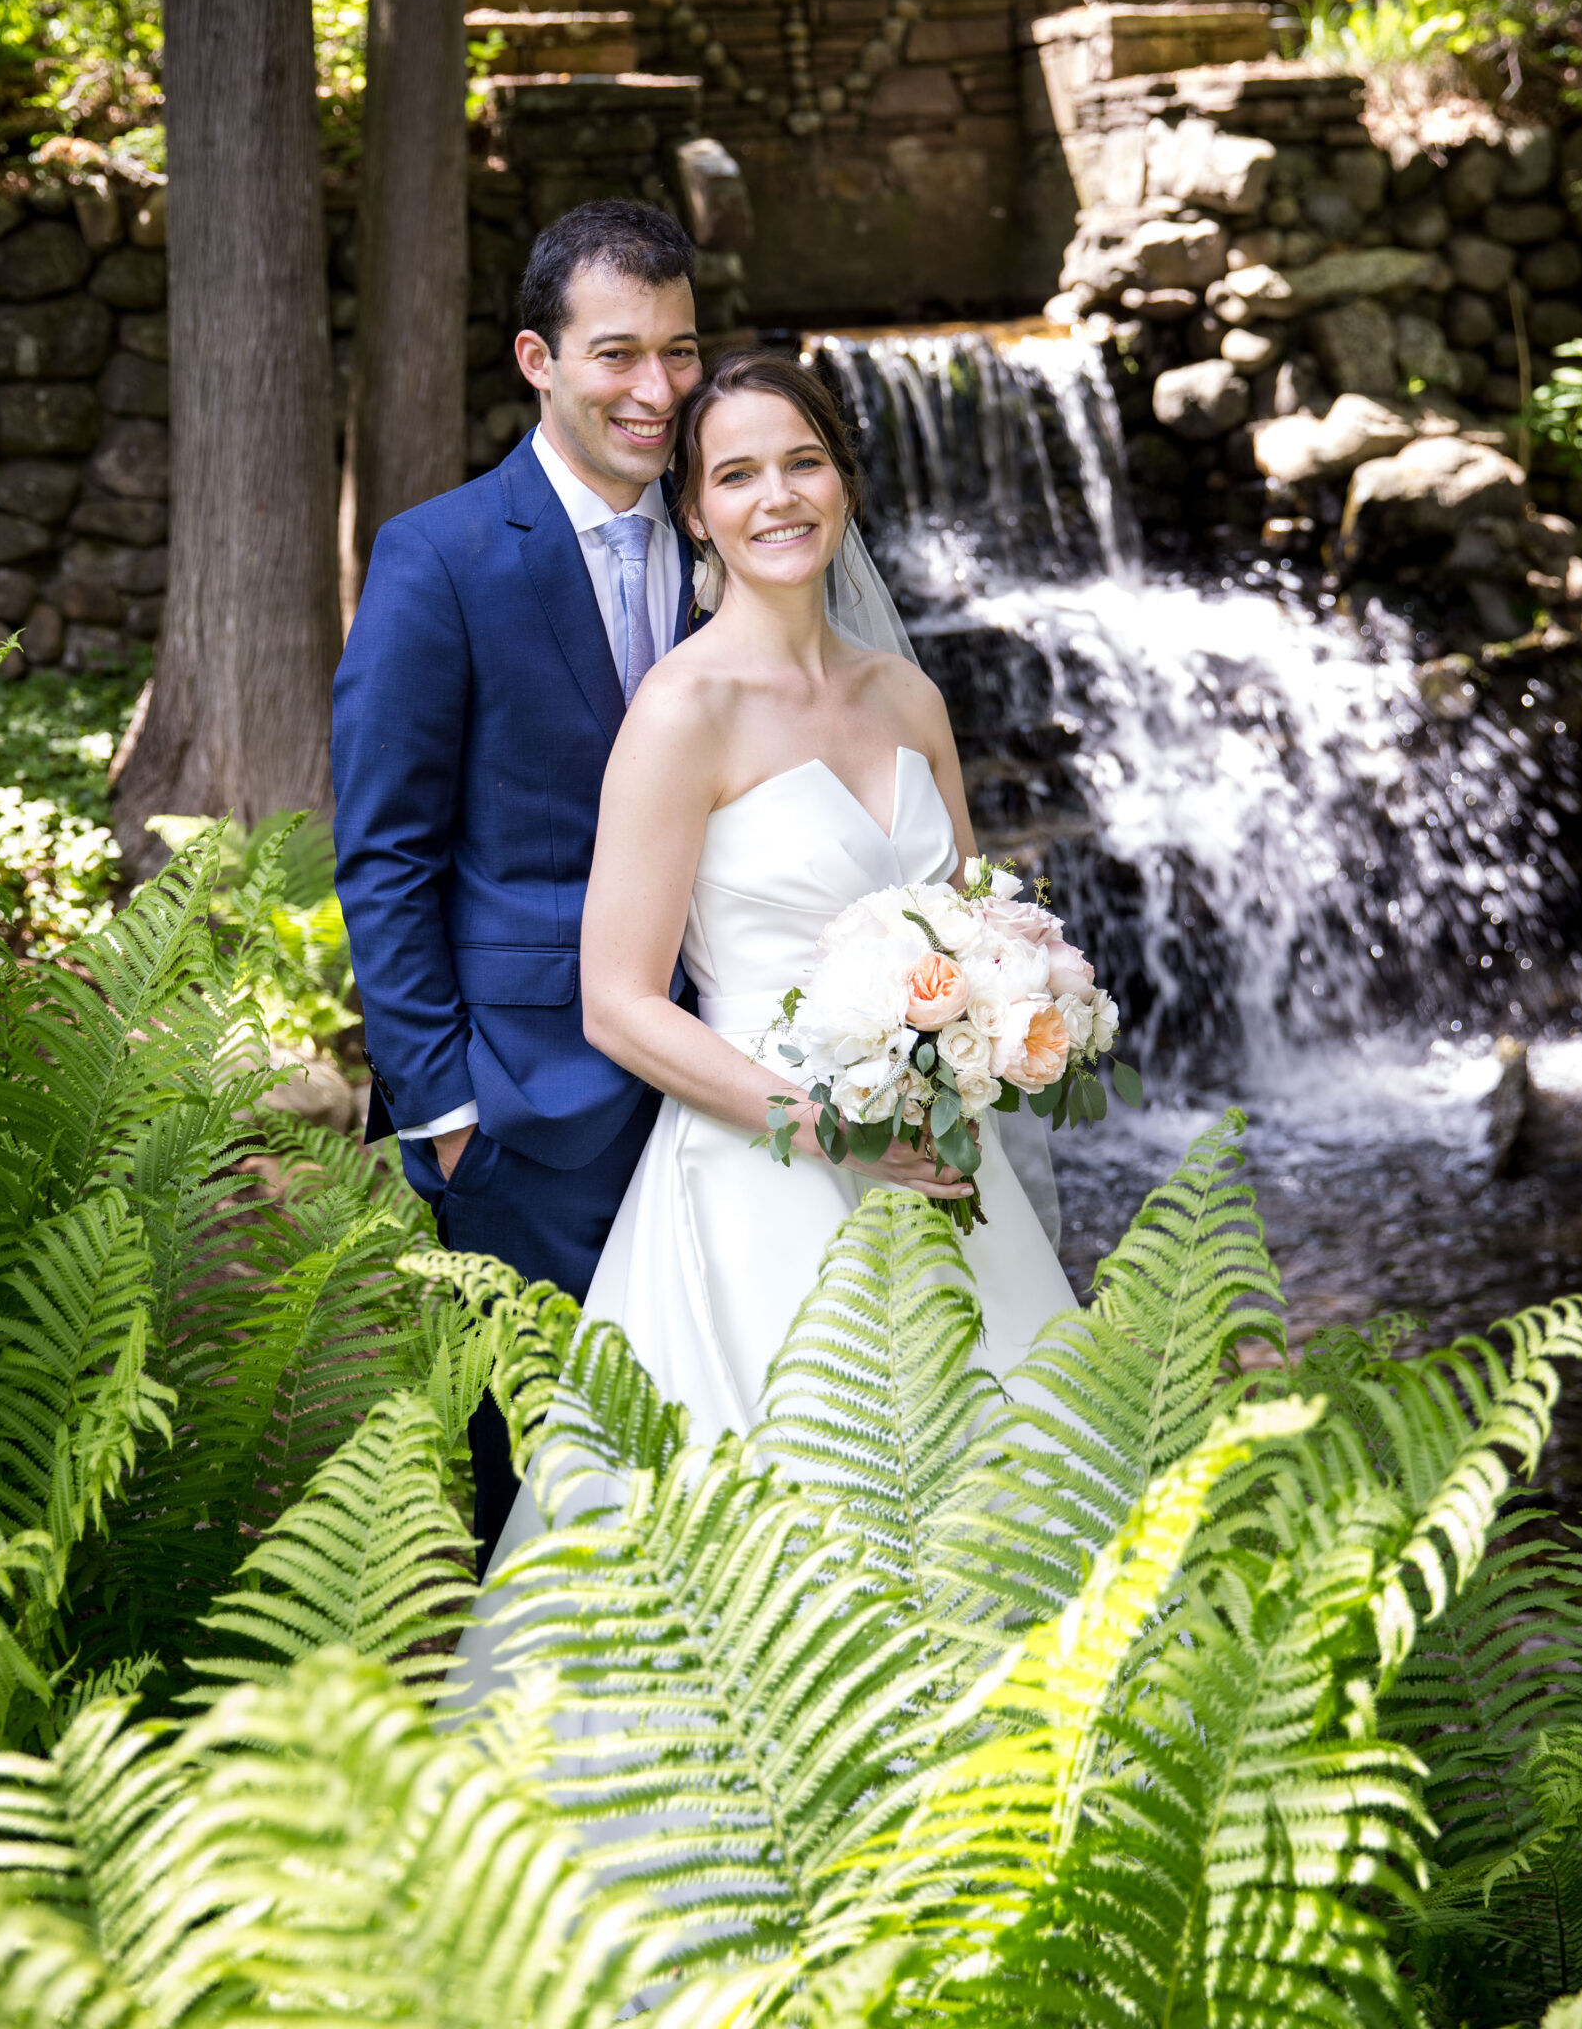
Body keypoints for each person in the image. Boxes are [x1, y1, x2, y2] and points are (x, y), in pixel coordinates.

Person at [460, 351, 1072, 1620]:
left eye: (803, 462)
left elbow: (977, 923)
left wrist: (1004, 1018)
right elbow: (617, 1002)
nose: (776, 497)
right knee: (788, 1572)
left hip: (944, 1165)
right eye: (736, 473)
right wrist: (824, 1125)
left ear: (843, 479)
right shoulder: (681, 709)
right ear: (693, 509)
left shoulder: (907, 696)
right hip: (758, 1176)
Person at [331, 198, 703, 1565]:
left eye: (677, 352)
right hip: (523, 1107)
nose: (655, 389)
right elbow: (385, 849)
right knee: (538, 1481)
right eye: (617, 354)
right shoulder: (441, 555)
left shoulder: (725, 539)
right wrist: (443, 1111)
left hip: (717, 1082)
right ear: (537, 361)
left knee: (711, 1439)